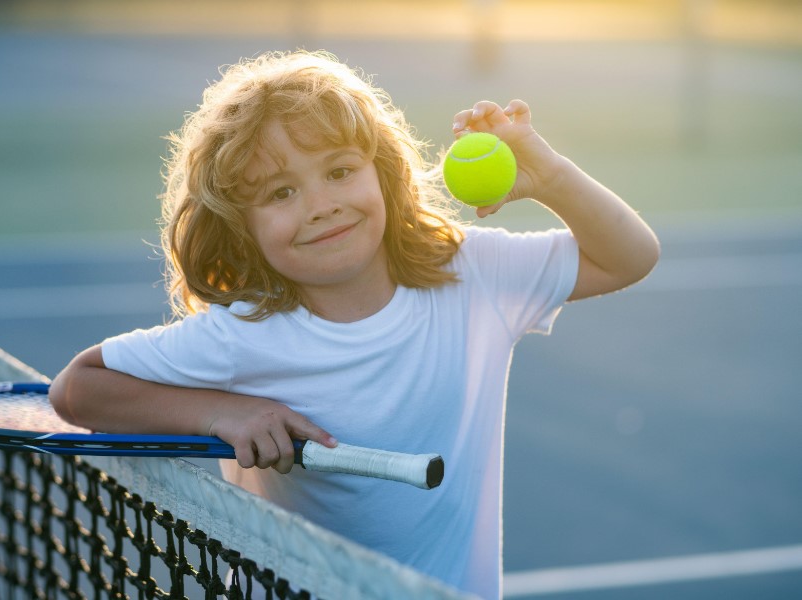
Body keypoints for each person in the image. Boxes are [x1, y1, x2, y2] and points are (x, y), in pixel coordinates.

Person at [49, 50, 659, 598]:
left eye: (340, 171)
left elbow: (629, 256)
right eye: (281, 193)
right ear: (243, 227)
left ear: (384, 175)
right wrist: (222, 413)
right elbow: (77, 389)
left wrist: (548, 174)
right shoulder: (246, 331)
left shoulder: (472, 274)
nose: (322, 205)